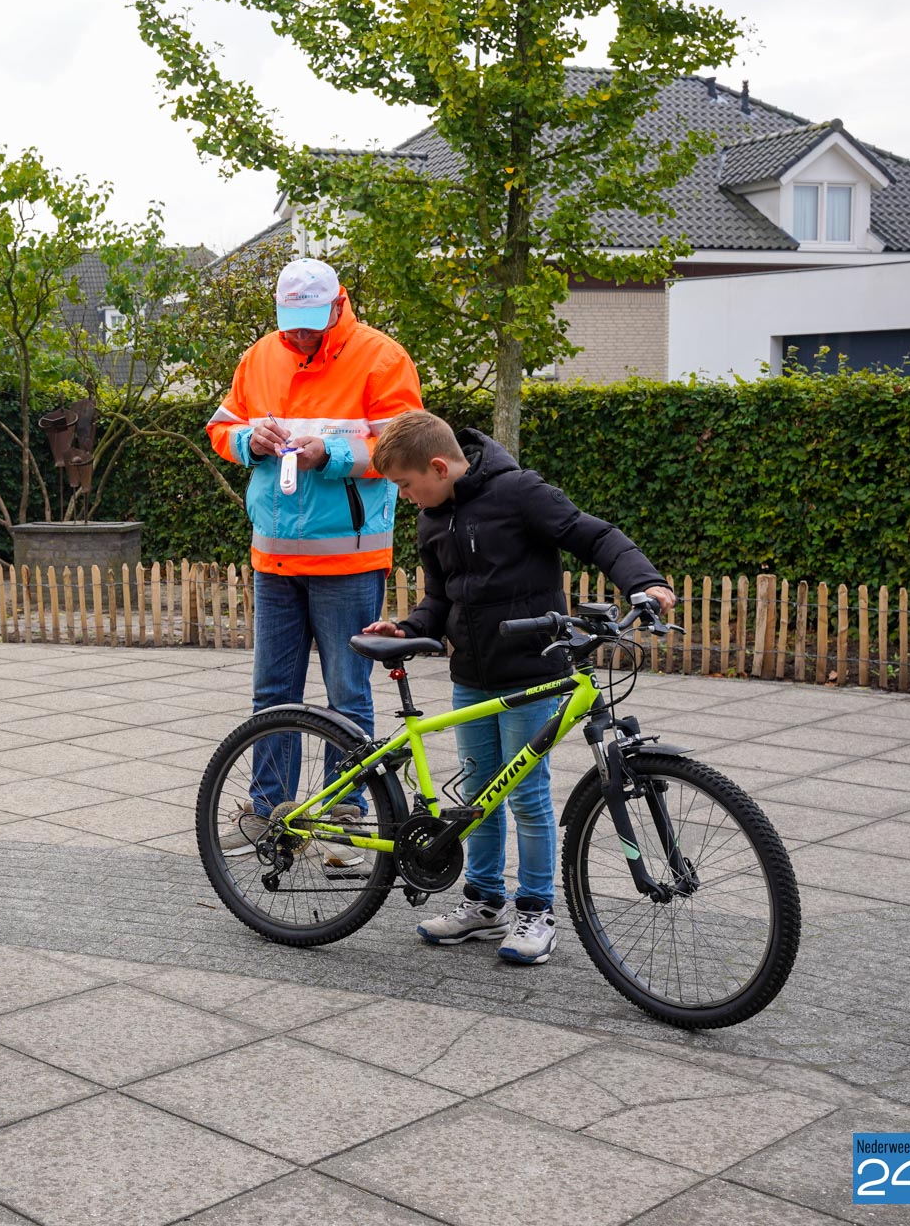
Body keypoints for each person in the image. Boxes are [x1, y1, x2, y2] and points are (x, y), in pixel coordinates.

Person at [365, 410, 676, 964]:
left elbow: (596, 535)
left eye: (406, 485)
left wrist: (645, 583)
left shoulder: (519, 493)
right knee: (478, 797)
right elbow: (439, 599)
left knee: (527, 798)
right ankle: (485, 903)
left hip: (534, 671)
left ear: (438, 467)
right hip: (470, 677)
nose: (405, 497)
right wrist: (409, 629)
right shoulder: (433, 519)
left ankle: (536, 909)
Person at [206, 259, 423, 868]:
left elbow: (404, 447)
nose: (299, 334)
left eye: (310, 322)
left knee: (347, 695)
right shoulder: (259, 357)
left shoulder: (381, 358)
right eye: (290, 321)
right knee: (272, 694)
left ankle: (345, 818)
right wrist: (250, 442)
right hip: (274, 556)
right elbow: (222, 428)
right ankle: (267, 812)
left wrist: (332, 452)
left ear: (337, 306)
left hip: (348, 559)